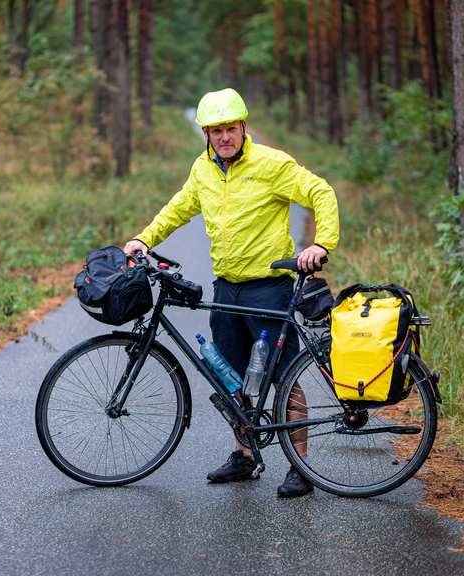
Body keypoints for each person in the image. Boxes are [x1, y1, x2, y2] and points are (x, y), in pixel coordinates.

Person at [123, 88, 339, 498]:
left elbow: (320, 192)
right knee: (231, 376)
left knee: (283, 377)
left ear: (243, 127)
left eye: (231, 129)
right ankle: (245, 455)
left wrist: (320, 244)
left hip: (268, 289)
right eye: (216, 130)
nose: (225, 137)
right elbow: (178, 208)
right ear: (206, 132)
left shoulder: (271, 164)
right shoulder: (202, 169)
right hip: (227, 288)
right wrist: (144, 239)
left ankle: (301, 467)